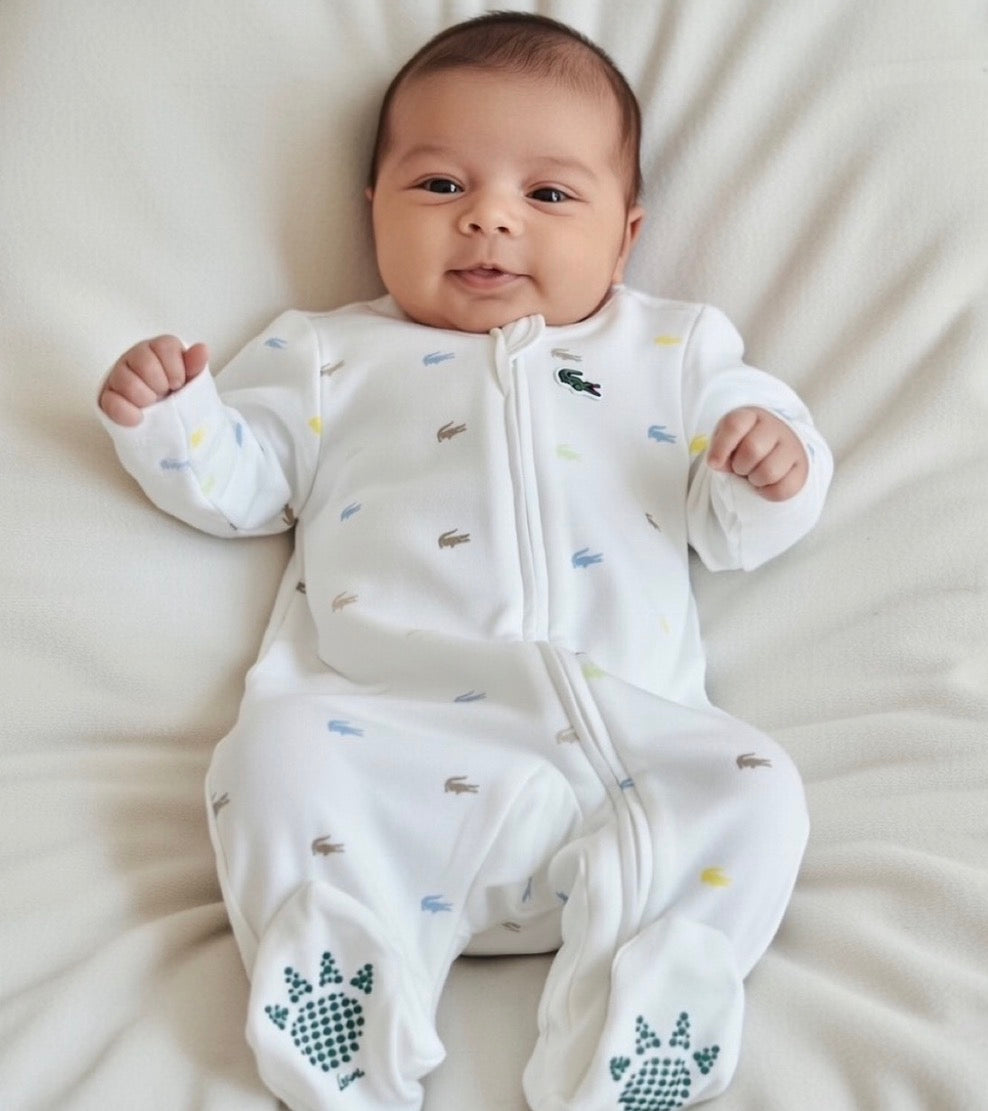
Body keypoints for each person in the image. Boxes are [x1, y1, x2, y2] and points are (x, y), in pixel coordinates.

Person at [98, 12, 832, 1110]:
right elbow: (244, 484)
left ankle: (643, 1012)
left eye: (549, 194)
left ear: (624, 238)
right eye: (440, 185)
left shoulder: (673, 351)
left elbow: (735, 526)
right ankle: (346, 990)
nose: (489, 216)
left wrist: (767, 468)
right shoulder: (327, 354)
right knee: (273, 754)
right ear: (374, 212)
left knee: (756, 787)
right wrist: (175, 420)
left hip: (621, 744)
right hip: (385, 744)